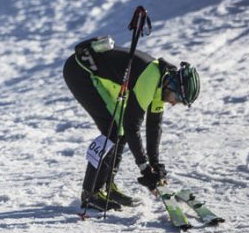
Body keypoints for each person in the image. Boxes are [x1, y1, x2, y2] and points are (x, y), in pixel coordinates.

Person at [62, 36, 201, 211]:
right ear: (172, 85)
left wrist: (155, 166)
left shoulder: (163, 82)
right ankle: (91, 193)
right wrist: (144, 168)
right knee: (112, 129)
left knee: (118, 130)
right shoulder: (150, 80)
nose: (174, 103)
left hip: (98, 74)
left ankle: (107, 186)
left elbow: (153, 127)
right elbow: (131, 126)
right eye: (179, 98)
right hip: (79, 72)